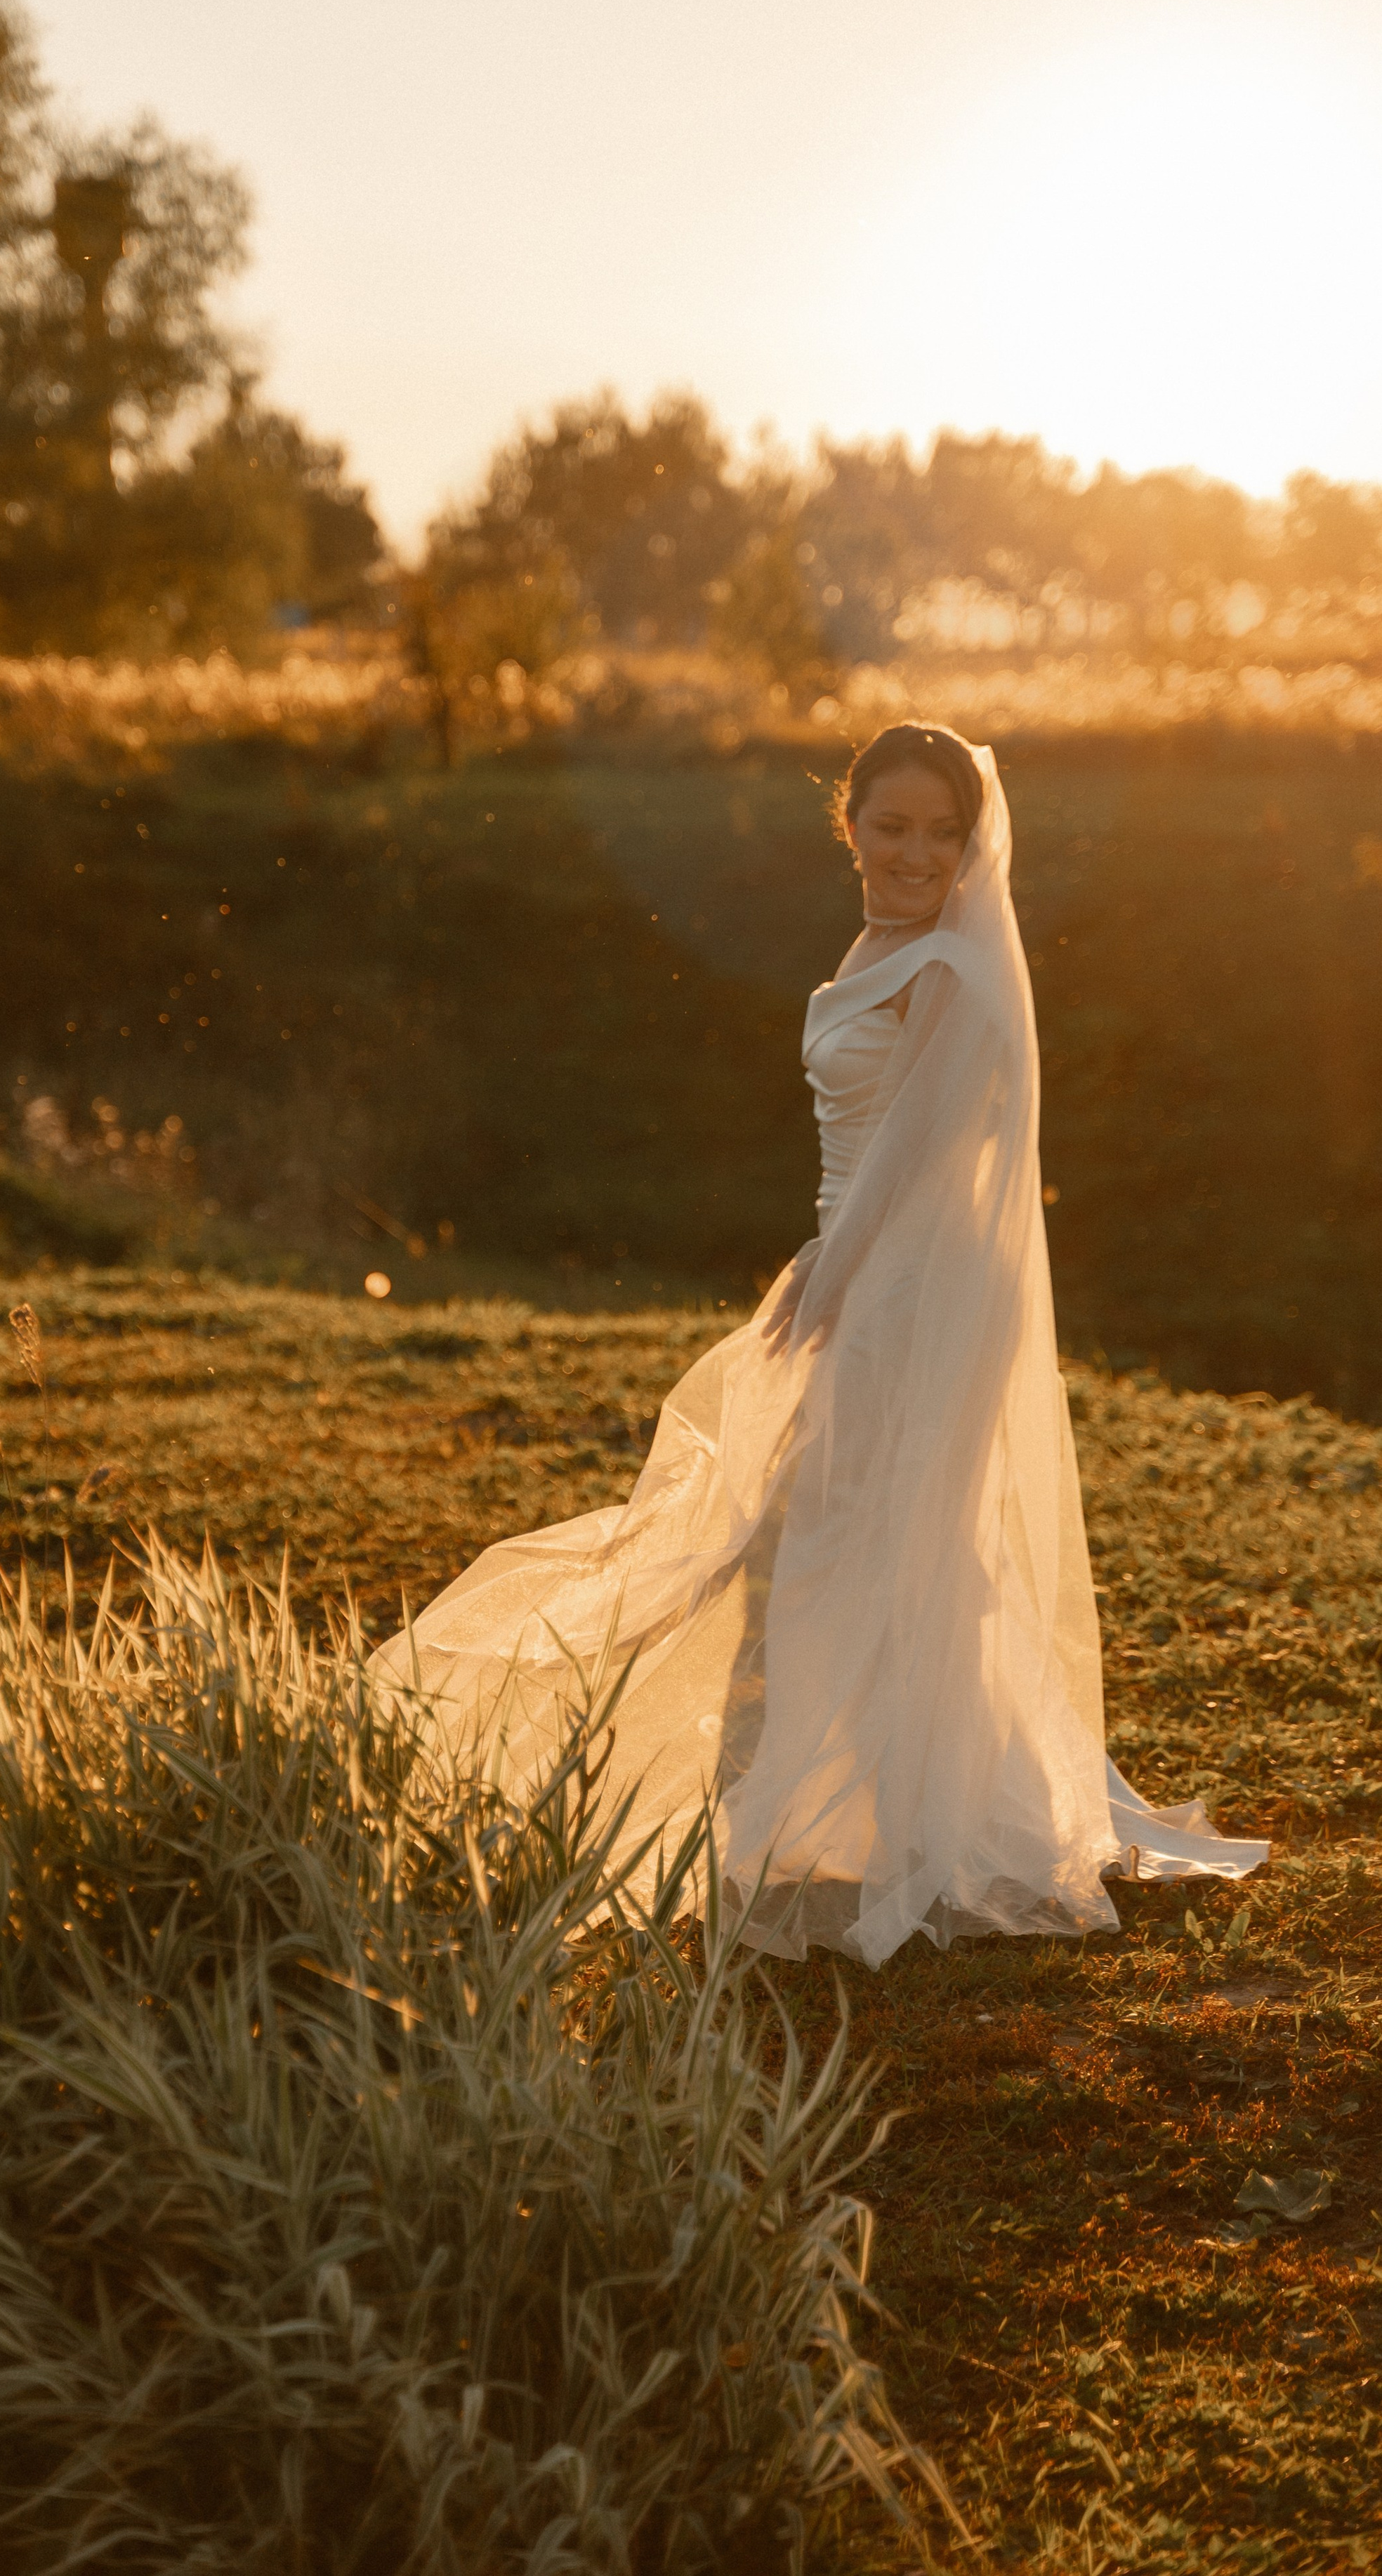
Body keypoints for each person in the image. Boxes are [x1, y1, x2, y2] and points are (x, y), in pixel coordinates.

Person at [378, 724, 1265, 1966]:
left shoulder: (953, 963)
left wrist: (831, 1274)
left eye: (941, 834)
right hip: (866, 1262)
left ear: (969, 844)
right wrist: (829, 1262)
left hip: (921, 1279)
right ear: (848, 822)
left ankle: (923, 1822)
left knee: (876, 1536)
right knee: (859, 1535)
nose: (916, 853)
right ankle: (876, 1810)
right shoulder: (880, 943)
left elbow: (922, 1149)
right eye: (892, 826)